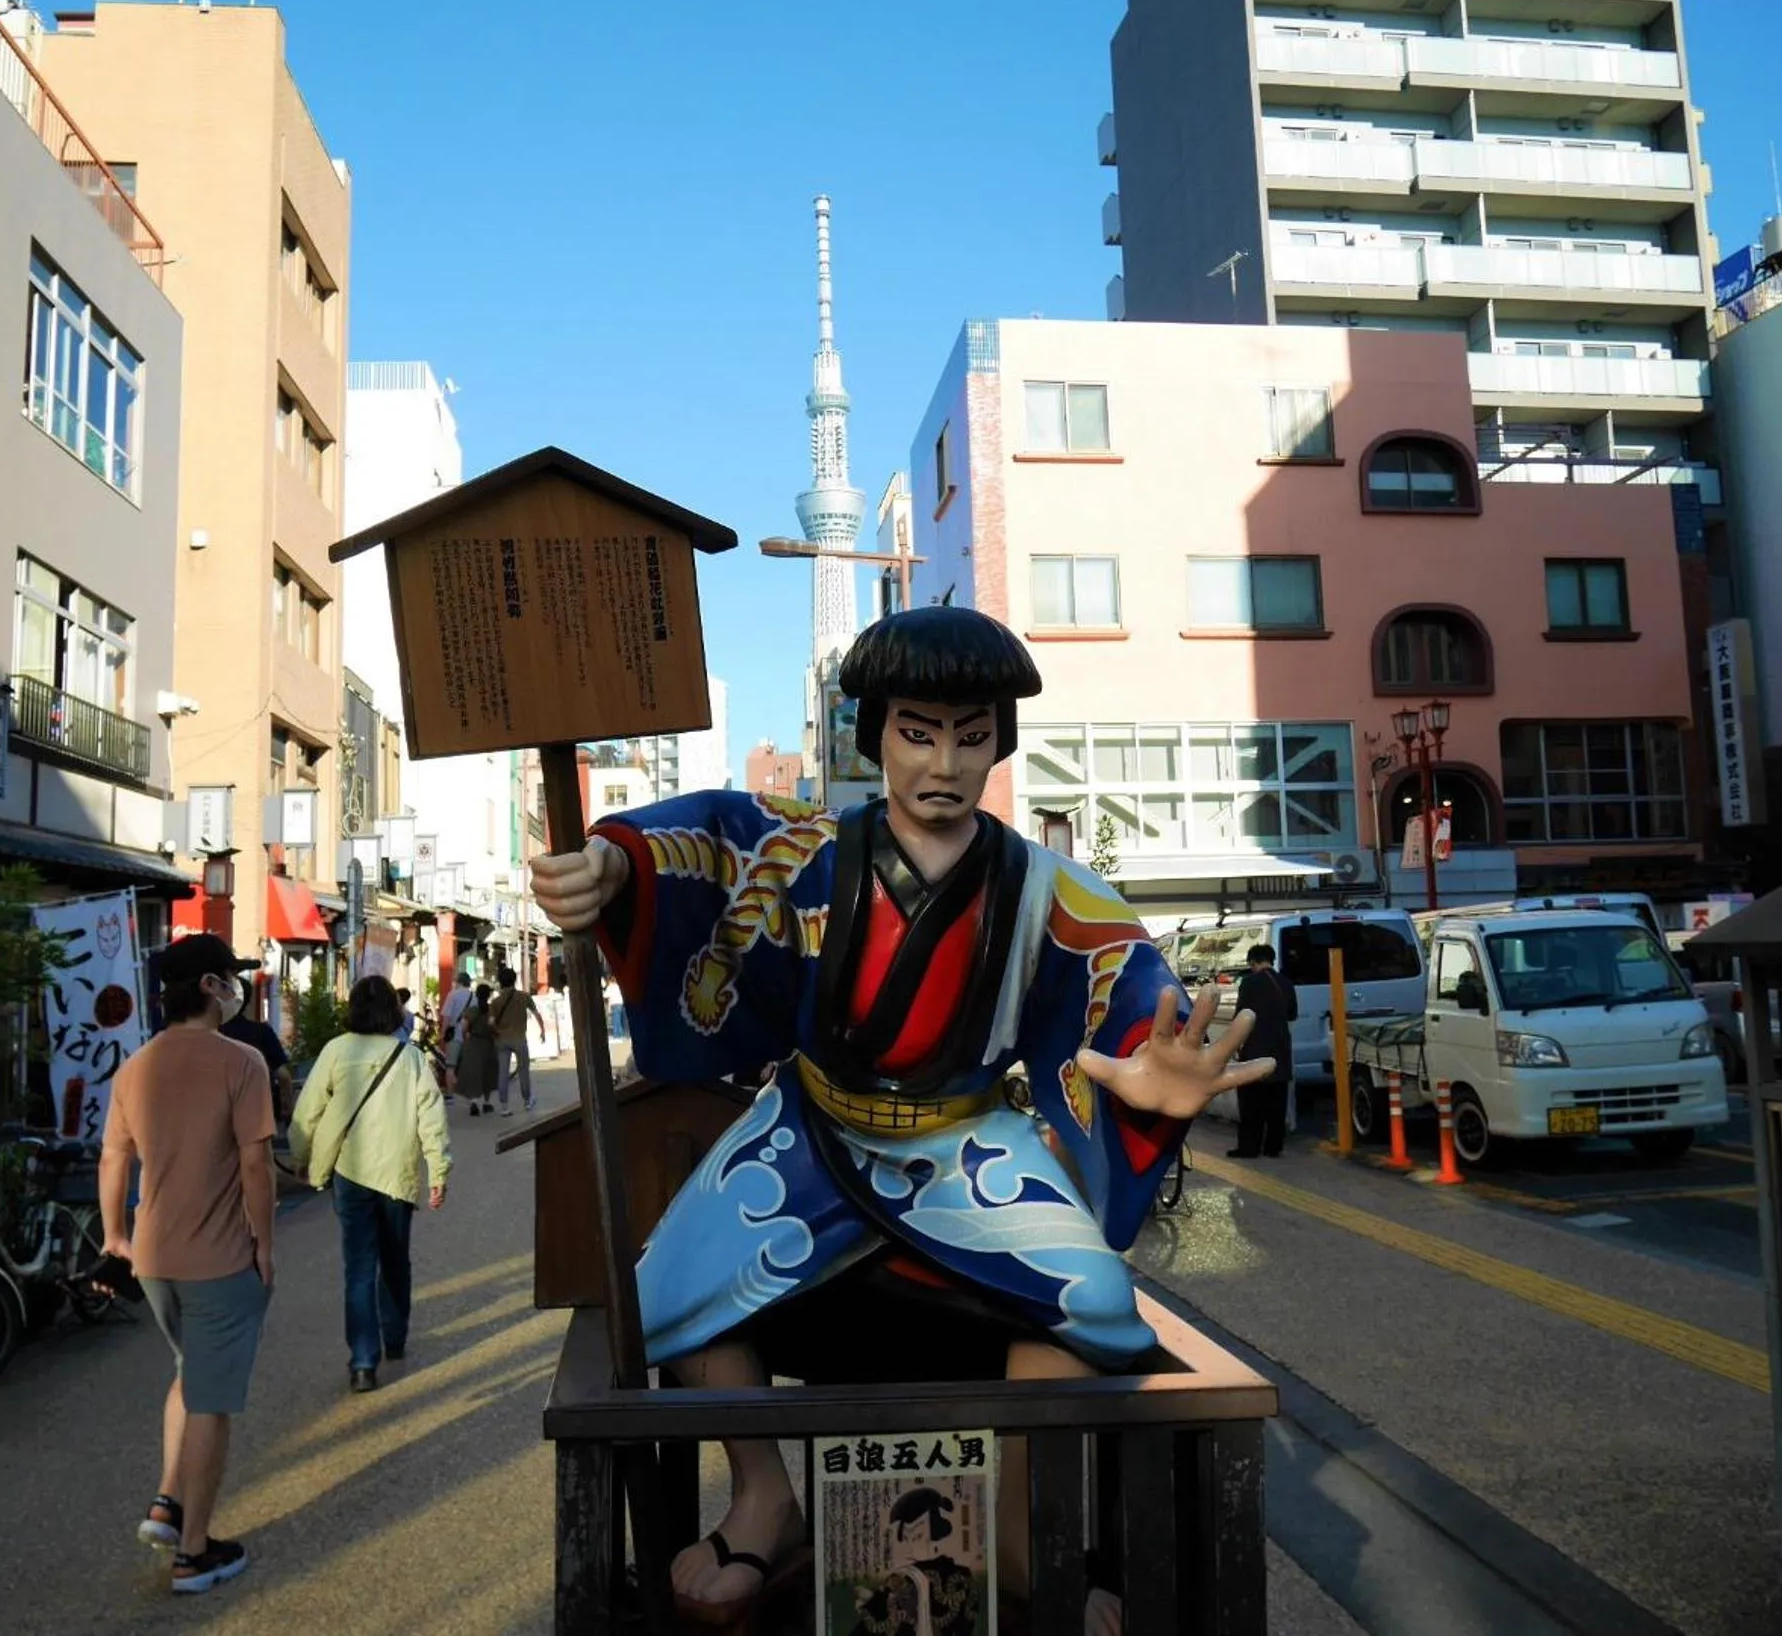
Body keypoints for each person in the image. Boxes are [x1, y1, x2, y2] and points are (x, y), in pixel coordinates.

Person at [530, 604, 1273, 1627]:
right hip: (811, 1129)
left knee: (1093, 1302)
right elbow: (703, 842)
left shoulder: (1044, 887)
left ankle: (1017, 1528)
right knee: (662, 1294)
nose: (945, 764)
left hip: (965, 1139)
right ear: (874, 734)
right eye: (918, 733)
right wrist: (613, 869)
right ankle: (763, 1497)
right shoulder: (804, 850)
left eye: (972, 736)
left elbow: (1122, 981)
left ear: (999, 742)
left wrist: (1148, 1077)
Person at [100, 934, 278, 1595]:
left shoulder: (135, 1066)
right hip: (220, 1257)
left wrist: (115, 1235)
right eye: (229, 976)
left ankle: (168, 1502)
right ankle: (194, 1553)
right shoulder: (242, 1062)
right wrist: (264, 1245)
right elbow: (256, 1164)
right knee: (212, 1401)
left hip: (153, 1258)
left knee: (189, 1371)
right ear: (209, 986)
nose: (236, 988)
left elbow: (114, 1158)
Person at [287, 975, 451, 1391]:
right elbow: (432, 1116)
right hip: (396, 1174)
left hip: (350, 1173)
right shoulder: (410, 1057)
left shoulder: (336, 1050)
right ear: (394, 1012)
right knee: (395, 1261)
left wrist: (300, 1157)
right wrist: (438, 1170)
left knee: (359, 1267)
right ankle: (394, 1339)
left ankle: (363, 1362)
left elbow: (308, 1111)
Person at [1230, 944, 1297, 1160]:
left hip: (1254, 1050)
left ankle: (1249, 1148)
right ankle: (1273, 1147)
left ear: (1253, 962)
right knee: (1276, 1103)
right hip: (1280, 1050)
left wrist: (1235, 1045)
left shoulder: (1249, 983)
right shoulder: (1286, 983)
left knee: (1251, 1103)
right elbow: (1292, 1014)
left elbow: (1241, 1016)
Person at [218, 981, 291, 1122]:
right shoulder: (262, 1032)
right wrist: (289, 1108)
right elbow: (284, 1076)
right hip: (258, 1113)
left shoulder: (213, 1033)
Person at [486, 964, 546, 1116]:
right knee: (524, 1070)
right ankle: (527, 1100)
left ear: (500, 982)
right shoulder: (524, 997)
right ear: (514, 980)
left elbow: (491, 1023)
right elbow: (536, 1013)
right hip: (519, 1039)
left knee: (503, 1073)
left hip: (501, 1041)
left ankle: (504, 1106)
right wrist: (542, 1030)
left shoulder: (495, 1002)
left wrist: (496, 1033)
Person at [454, 977, 498, 1117]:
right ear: (488, 996)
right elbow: (492, 1027)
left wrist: (466, 1035)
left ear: (477, 995)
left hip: (473, 1044)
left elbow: (464, 1027)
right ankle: (486, 1103)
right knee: (487, 1073)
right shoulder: (491, 1010)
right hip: (488, 1044)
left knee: (473, 1073)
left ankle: (474, 1102)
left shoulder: (471, 1010)